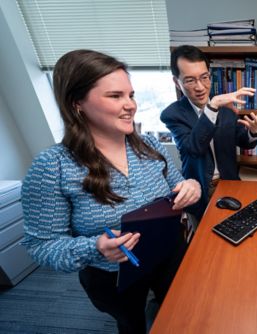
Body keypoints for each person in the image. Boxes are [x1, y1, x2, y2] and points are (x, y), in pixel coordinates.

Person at [21, 49, 201, 334]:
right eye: (115, 96)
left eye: (130, 95)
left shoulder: (149, 146)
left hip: (168, 255)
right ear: (77, 102)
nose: (130, 105)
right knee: (132, 324)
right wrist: (94, 247)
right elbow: (41, 246)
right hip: (113, 277)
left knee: (178, 313)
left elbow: (179, 185)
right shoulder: (52, 166)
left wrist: (192, 187)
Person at [161, 45, 257, 220]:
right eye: (190, 80)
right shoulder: (172, 115)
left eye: (205, 77)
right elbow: (193, 148)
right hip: (200, 191)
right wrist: (213, 106)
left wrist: (254, 131)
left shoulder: (225, 107)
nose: (201, 87)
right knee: (204, 243)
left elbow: (243, 140)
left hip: (230, 184)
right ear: (176, 81)